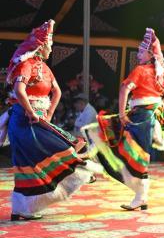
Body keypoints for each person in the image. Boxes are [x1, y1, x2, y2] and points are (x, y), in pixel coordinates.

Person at [2, 20, 96, 220]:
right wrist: (30, 111)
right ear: (40, 46)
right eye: (49, 45)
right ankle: (22, 208)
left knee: (37, 160)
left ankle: (21, 208)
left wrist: (50, 113)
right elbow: (19, 90)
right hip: (23, 121)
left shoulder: (44, 68)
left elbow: (57, 91)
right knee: (29, 162)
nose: (51, 49)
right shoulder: (26, 65)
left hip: (38, 120)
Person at [84, 28, 164, 211]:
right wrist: (156, 108)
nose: (138, 54)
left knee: (130, 152)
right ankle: (141, 196)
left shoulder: (141, 70)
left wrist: (122, 114)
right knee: (137, 154)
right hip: (150, 117)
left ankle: (91, 161)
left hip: (140, 116)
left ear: (150, 54)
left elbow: (125, 89)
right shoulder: (162, 73)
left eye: (141, 51)